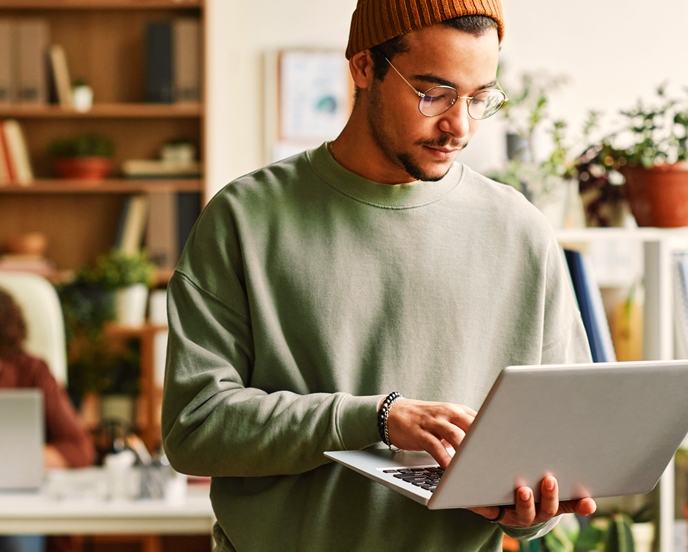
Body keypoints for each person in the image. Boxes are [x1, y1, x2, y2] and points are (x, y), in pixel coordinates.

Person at [161, 0, 597, 550]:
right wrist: (375, 419)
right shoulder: (243, 219)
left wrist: (530, 511)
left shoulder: (522, 233)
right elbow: (194, 428)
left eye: (479, 98)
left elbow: (555, 447)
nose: (458, 125)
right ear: (364, 68)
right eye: (433, 93)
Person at [0, 288, 96, 552]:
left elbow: (80, 449)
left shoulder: (32, 372)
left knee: (15, 542)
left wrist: (16, 460)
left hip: (15, 507)